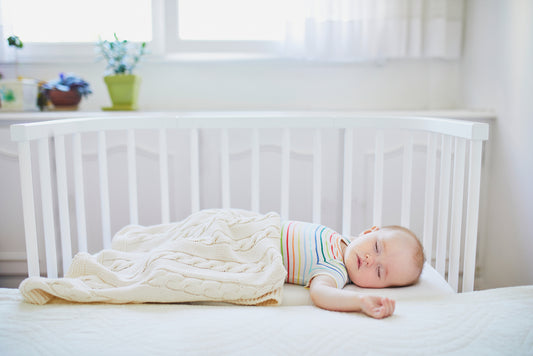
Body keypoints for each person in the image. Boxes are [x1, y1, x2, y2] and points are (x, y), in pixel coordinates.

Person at [281, 222, 425, 319]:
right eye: (376, 247)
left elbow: (319, 292)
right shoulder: (342, 239)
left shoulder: (336, 270)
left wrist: (359, 301)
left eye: (379, 271)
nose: (370, 260)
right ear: (368, 232)